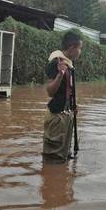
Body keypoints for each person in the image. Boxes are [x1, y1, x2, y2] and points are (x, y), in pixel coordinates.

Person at [43, 31, 83, 163]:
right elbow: (50, 91)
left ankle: (61, 181)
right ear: (72, 47)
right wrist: (60, 75)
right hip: (57, 117)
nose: (80, 51)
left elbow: (68, 90)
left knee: (63, 157)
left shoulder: (69, 65)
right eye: (79, 48)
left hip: (67, 115)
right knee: (53, 158)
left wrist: (73, 105)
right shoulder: (56, 62)